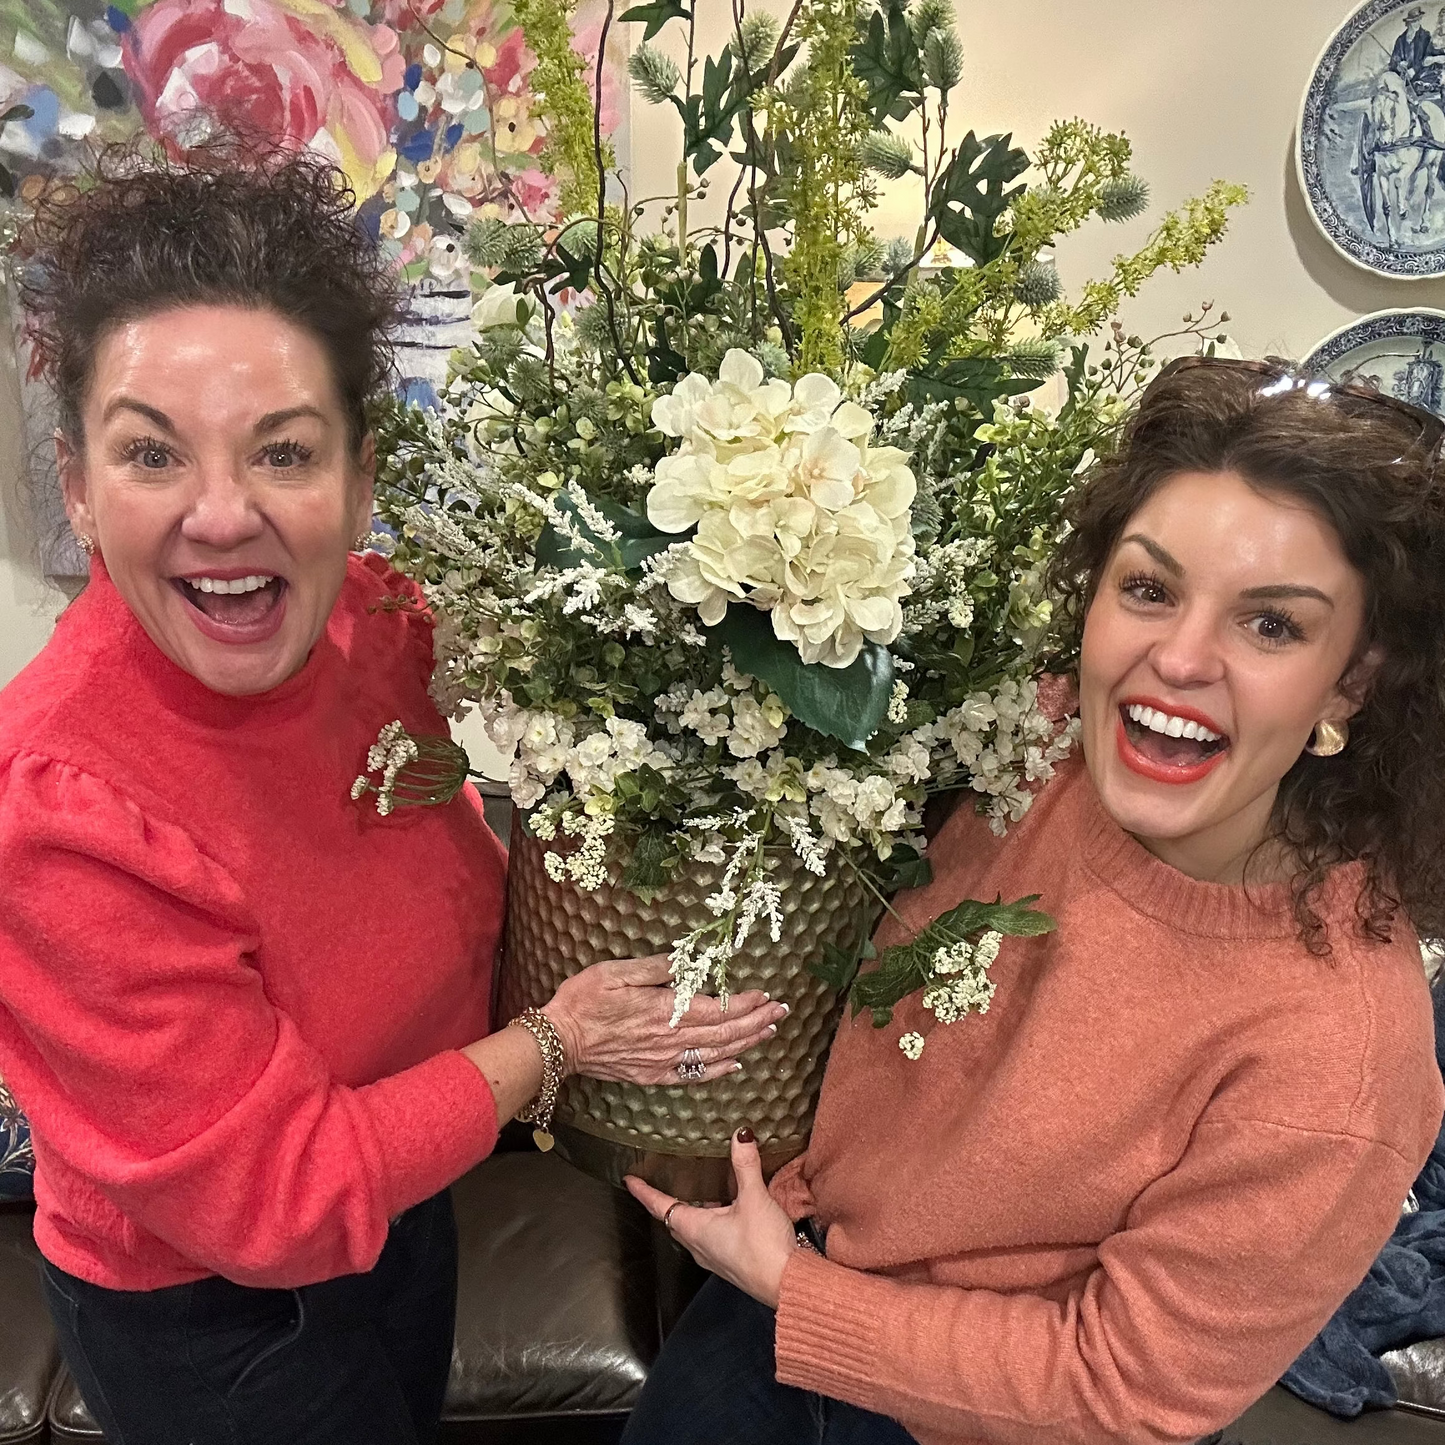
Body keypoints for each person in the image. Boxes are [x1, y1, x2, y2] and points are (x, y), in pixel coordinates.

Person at [0, 144, 787, 1445]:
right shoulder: (62, 804)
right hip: (222, 1312)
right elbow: (277, 1196)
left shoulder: (381, 627)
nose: (221, 513)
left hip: (408, 1190)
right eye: (152, 455)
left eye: (284, 452)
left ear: (359, 480)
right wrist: (554, 1045)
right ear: (79, 489)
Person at [621, 357, 1445, 1445]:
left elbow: (1121, 1386)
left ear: (1350, 681)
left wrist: (799, 1295)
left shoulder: (1338, 1051)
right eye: (1147, 588)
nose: (1178, 658)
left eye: (1270, 626)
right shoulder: (1032, 743)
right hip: (763, 1307)